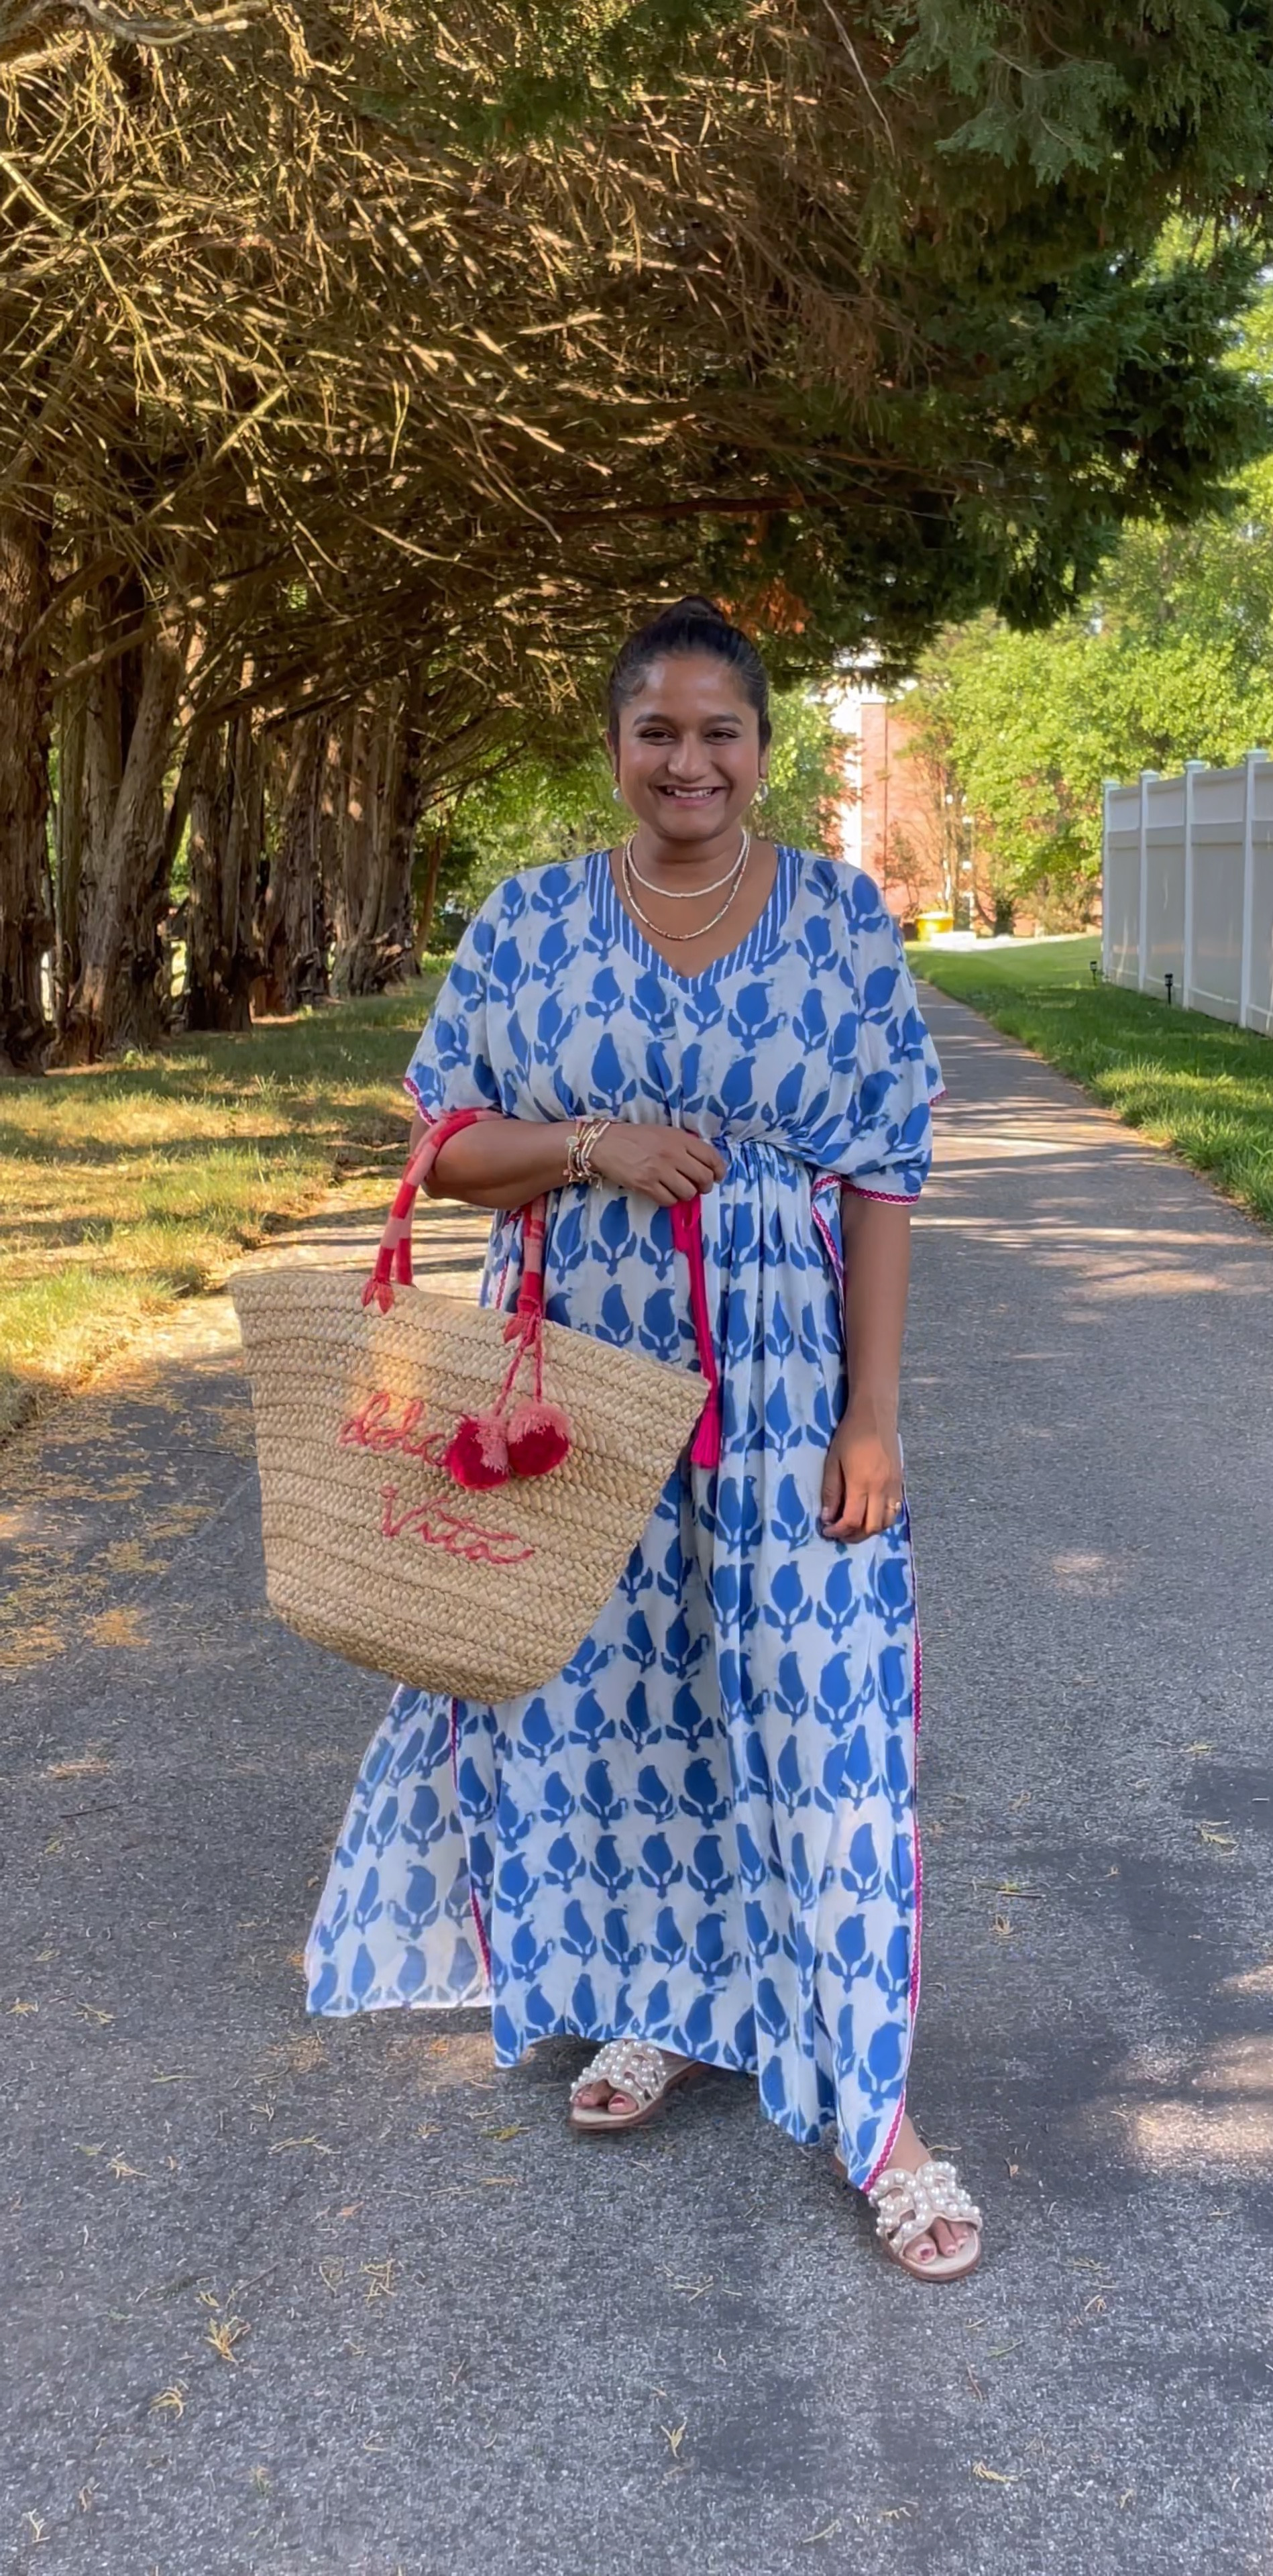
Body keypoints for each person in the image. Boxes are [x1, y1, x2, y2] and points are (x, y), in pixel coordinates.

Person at [305, 598, 981, 2278]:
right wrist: (595, 1143)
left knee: (817, 1738)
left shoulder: (837, 921)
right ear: (613, 748)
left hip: (775, 1372)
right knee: (605, 1707)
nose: (690, 761)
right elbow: (440, 1147)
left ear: (764, 749)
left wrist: (872, 1418)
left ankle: (875, 2109)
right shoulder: (528, 926)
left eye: (722, 732)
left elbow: (886, 1170)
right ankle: (653, 2007)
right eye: (657, 731)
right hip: (571, 1373)